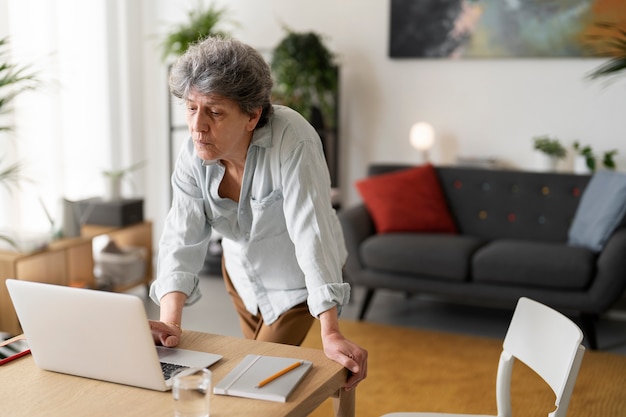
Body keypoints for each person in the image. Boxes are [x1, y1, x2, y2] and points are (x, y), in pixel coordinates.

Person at [148, 36, 367, 391]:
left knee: (255, 379)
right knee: (262, 379)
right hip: (241, 277)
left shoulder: (294, 140)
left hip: (295, 282)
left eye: (215, 112)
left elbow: (311, 230)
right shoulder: (193, 153)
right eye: (191, 108)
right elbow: (180, 235)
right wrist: (170, 324)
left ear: (252, 115)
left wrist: (331, 330)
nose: (198, 126)